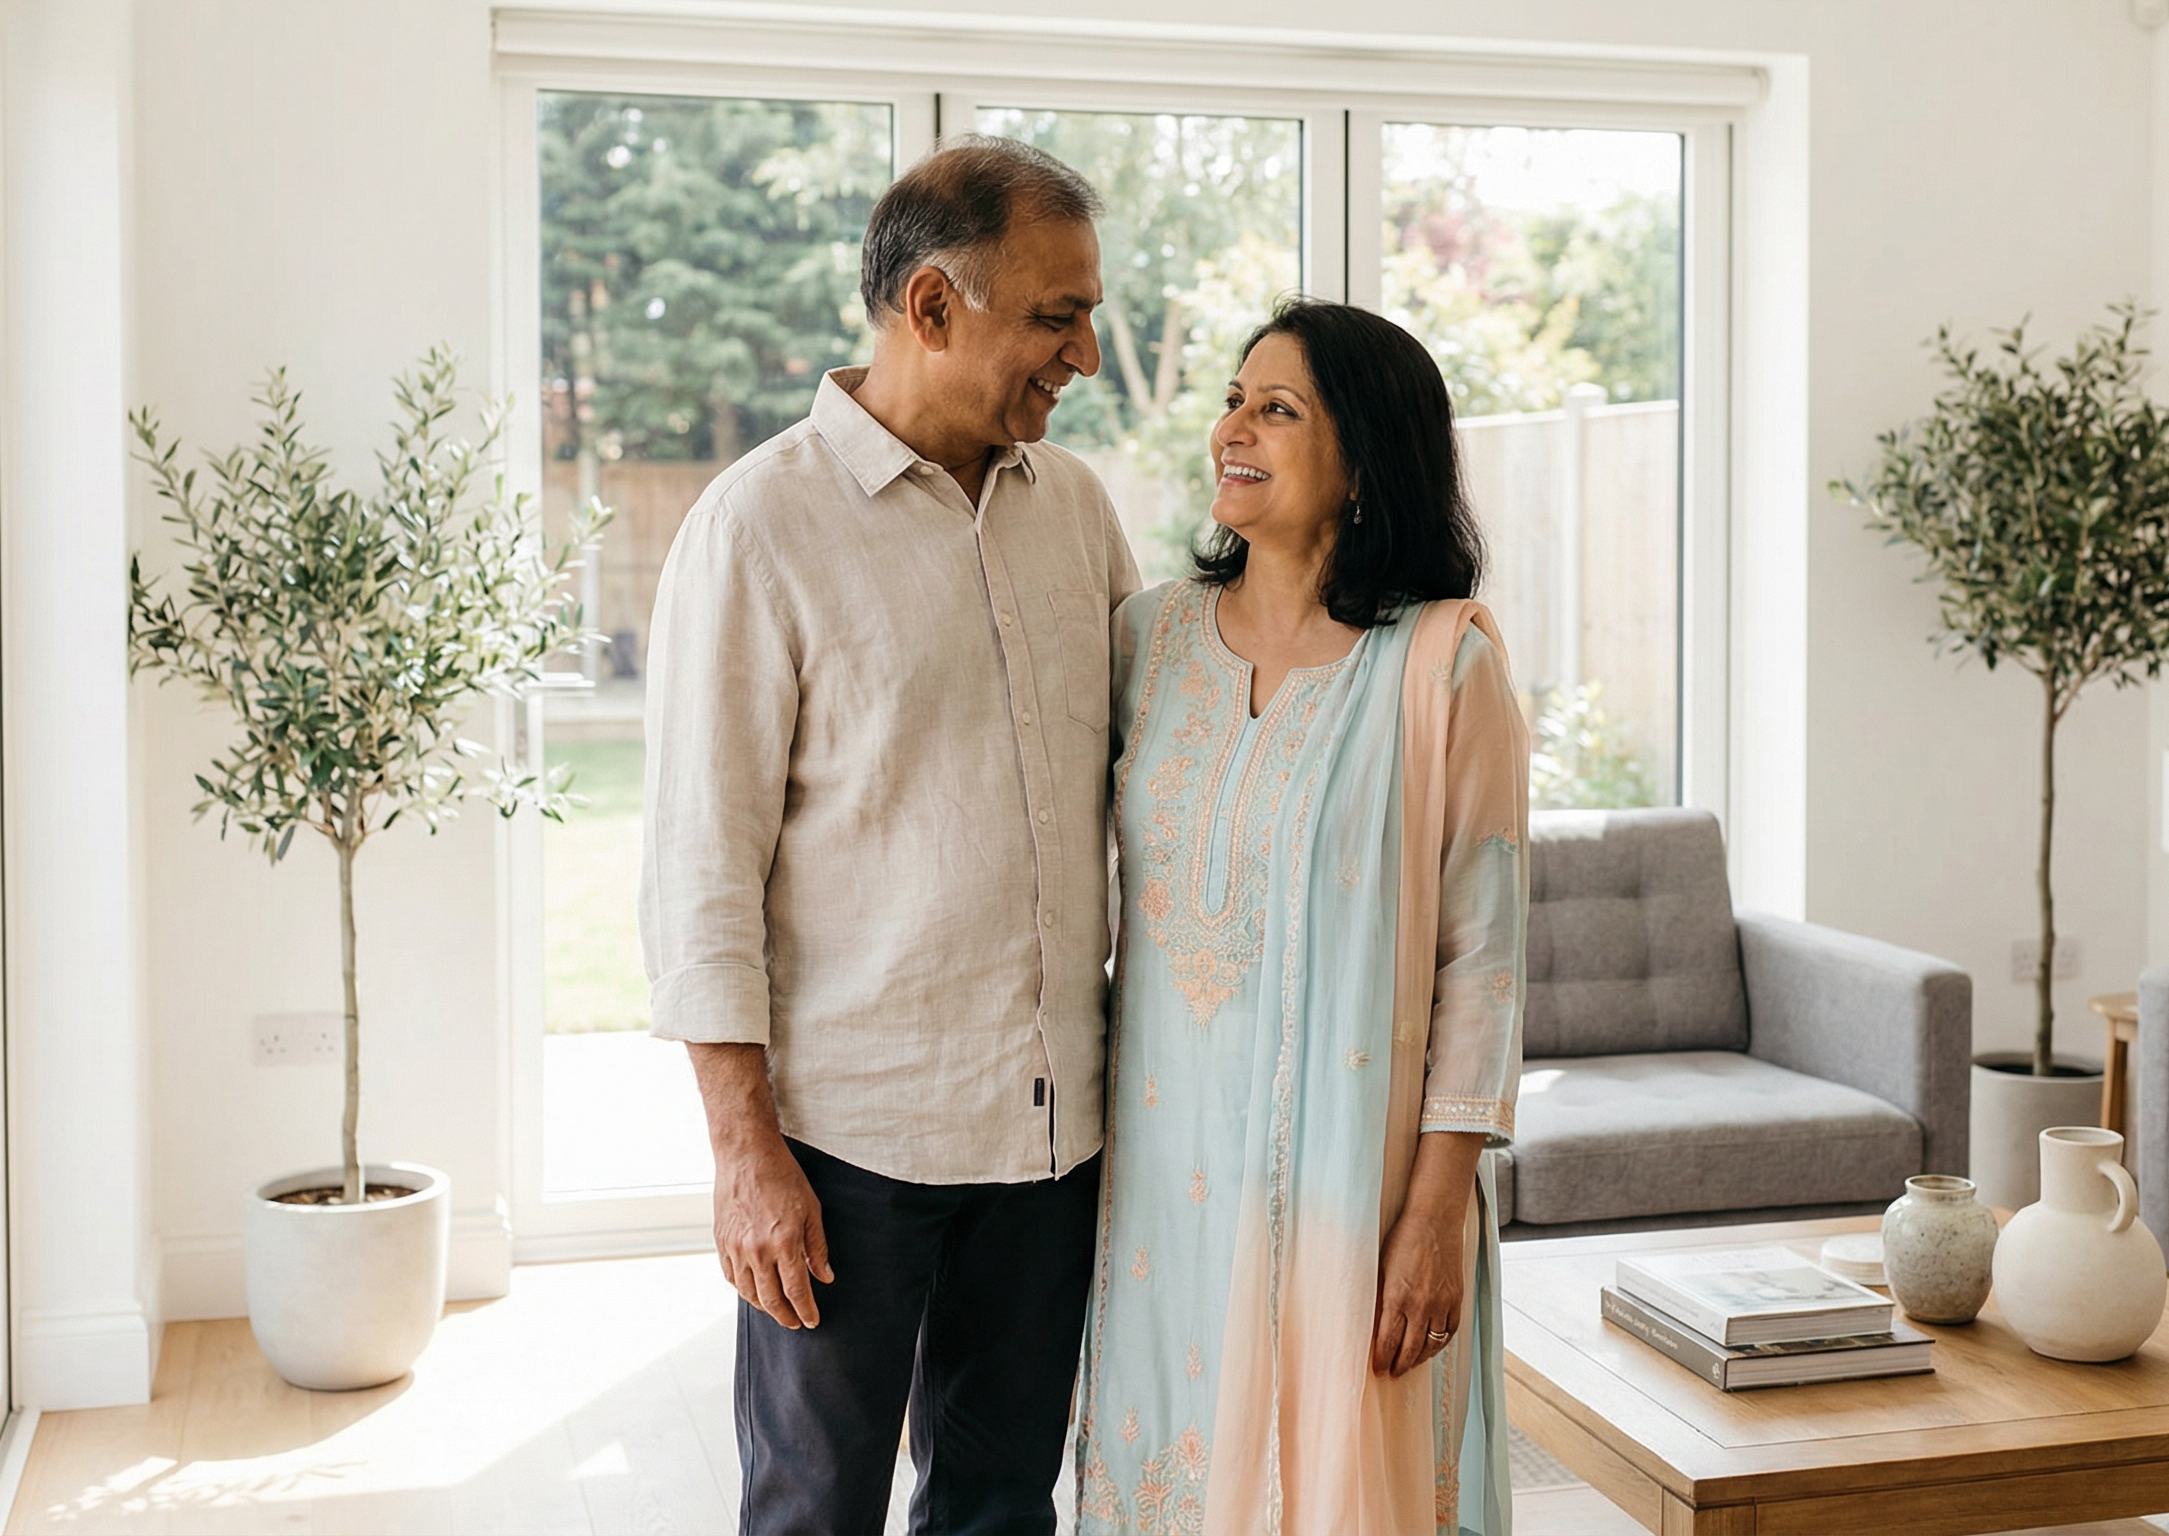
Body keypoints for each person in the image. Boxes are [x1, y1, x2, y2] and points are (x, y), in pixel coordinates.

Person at [640, 135, 1140, 1535]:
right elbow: (699, 873)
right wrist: (746, 1157)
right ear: (932, 307)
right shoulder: (759, 529)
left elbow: (1158, 771)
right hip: (849, 1150)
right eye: (1056, 315)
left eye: (1087, 313)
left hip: (1050, 1140)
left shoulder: (1079, 512)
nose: (1085, 354)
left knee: (999, 1505)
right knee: (813, 1510)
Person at [1075, 300, 1527, 1535]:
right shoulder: (1147, 640)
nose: (1234, 427)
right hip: (1160, 1186)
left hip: (1352, 1190)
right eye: (1233, 398)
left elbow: (1482, 967)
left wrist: (1437, 1210)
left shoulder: (1444, 666)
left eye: (1277, 409)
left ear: (1367, 460)